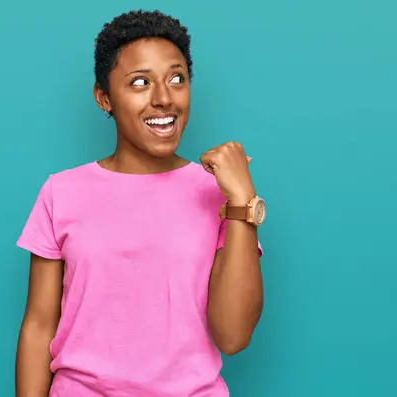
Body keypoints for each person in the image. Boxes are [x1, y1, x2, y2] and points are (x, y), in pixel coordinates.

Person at [14, 9, 265, 397]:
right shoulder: (61, 192)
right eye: (140, 82)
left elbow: (233, 336)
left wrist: (243, 202)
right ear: (104, 98)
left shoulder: (219, 192)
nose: (163, 98)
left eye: (177, 78)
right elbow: (38, 326)